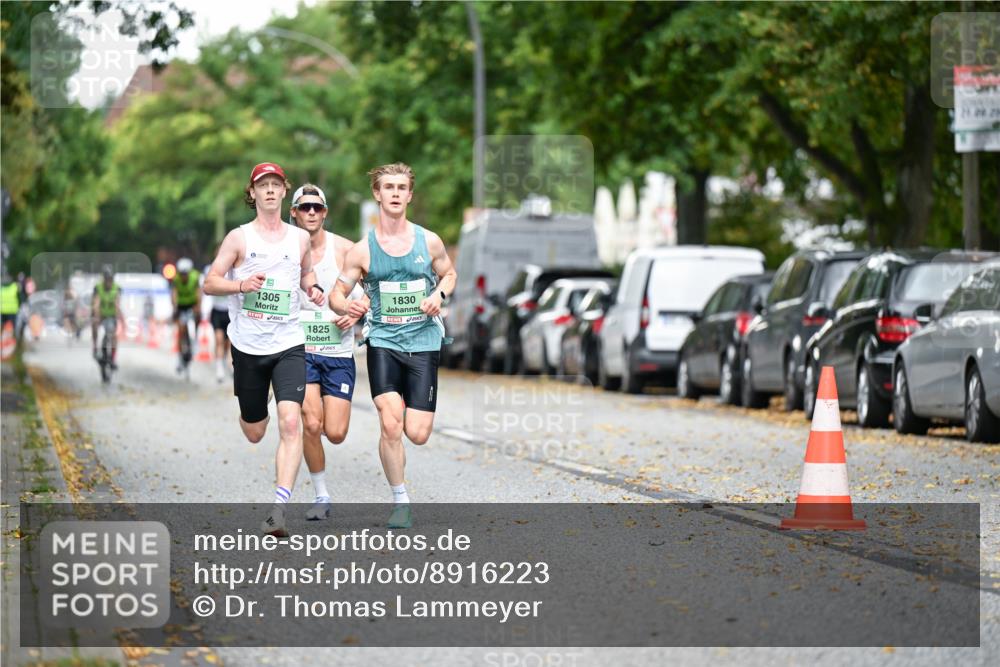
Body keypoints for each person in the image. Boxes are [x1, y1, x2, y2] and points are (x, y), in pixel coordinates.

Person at [331, 163, 457, 529]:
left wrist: (439, 294)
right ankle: (400, 501)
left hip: (423, 341)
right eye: (389, 187)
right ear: (377, 194)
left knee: (416, 433)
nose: (396, 193)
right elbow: (336, 295)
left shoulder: (429, 241)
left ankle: (406, 415)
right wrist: (349, 306)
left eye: (402, 187)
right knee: (390, 422)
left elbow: (449, 272)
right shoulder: (361, 251)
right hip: (383, 341)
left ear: (410, 195)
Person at [203, 162, 325, 536]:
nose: (270, 190)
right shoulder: (239, 239)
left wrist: (313, 287)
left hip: (289, 342)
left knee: (292, 422)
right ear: (252, 193)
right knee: (256, 431)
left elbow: (305, 272)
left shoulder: (299, 238)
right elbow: (210, 283)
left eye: (276, 184)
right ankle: (257, 402)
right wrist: (241, 287)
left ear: (284, 191)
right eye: (263, 185)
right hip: (248, 345)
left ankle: (278, 509)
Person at [290, 184, 367, 520]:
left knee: (334, 432)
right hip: (300, 351)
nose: (310, 213)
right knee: (311, 423)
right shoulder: (282, 250)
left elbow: (369, 294)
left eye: (316, 208)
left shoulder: (345, 250)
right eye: (304, 207)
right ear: (293, 212)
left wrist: (355, 311)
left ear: (325, 213)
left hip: (338, 352)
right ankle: (321, 496)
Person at [171, 257, 201, 374]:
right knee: (181, 330)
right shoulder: (176, 279)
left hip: (192, 304)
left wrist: (198, 307)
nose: (183, 276)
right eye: (182, 274)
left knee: (197, 319)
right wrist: (174, 306)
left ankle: (195, 341)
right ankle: (179, 358)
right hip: (181, 306)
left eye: (185, 274)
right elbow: (174, 294)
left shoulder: (195, 277)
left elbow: (199, 293)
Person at [91, 266, 123, 369]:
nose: (108, 282)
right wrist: (96, 314)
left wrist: (119, 316)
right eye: (106, 279)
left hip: (111, 314)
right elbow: (96, 303)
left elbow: (117, 303)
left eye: (110, 279)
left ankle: (113, 358)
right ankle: (95, 348)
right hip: (100, 314)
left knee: (113, 335)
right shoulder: (98, 288)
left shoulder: (116, 288)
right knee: (94, 326)